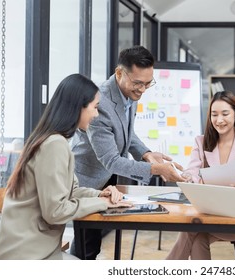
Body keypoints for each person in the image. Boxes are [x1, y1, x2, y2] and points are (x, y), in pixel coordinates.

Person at [0, 74, 129, 260]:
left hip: (36, 250)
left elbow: (69, 192)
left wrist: (99, 195)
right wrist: (103, 203)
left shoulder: (53, 139)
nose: (96, 114)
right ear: (78, 107)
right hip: (26, 256)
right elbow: (56, 212)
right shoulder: (54, 144)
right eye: (95, 108)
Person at [70, 45, 184, 259]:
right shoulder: (102, 102)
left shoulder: (129, 93)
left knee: (93, 239)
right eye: (138, 83)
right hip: (88, 176)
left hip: (106, 175)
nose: (142, 89)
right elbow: (111, 160)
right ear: (119, 73)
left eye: (148, 83)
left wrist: (146, 153)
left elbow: (126, 132)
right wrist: (155, 169)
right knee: (86, 244)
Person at [166, 90, 235, 260]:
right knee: (196, 237)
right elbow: (192, 171)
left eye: (225, 114)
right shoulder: (201, 142)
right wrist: (187, 178)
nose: (219, 120)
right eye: (214, 114)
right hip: (207, 212)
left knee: (191, 228)